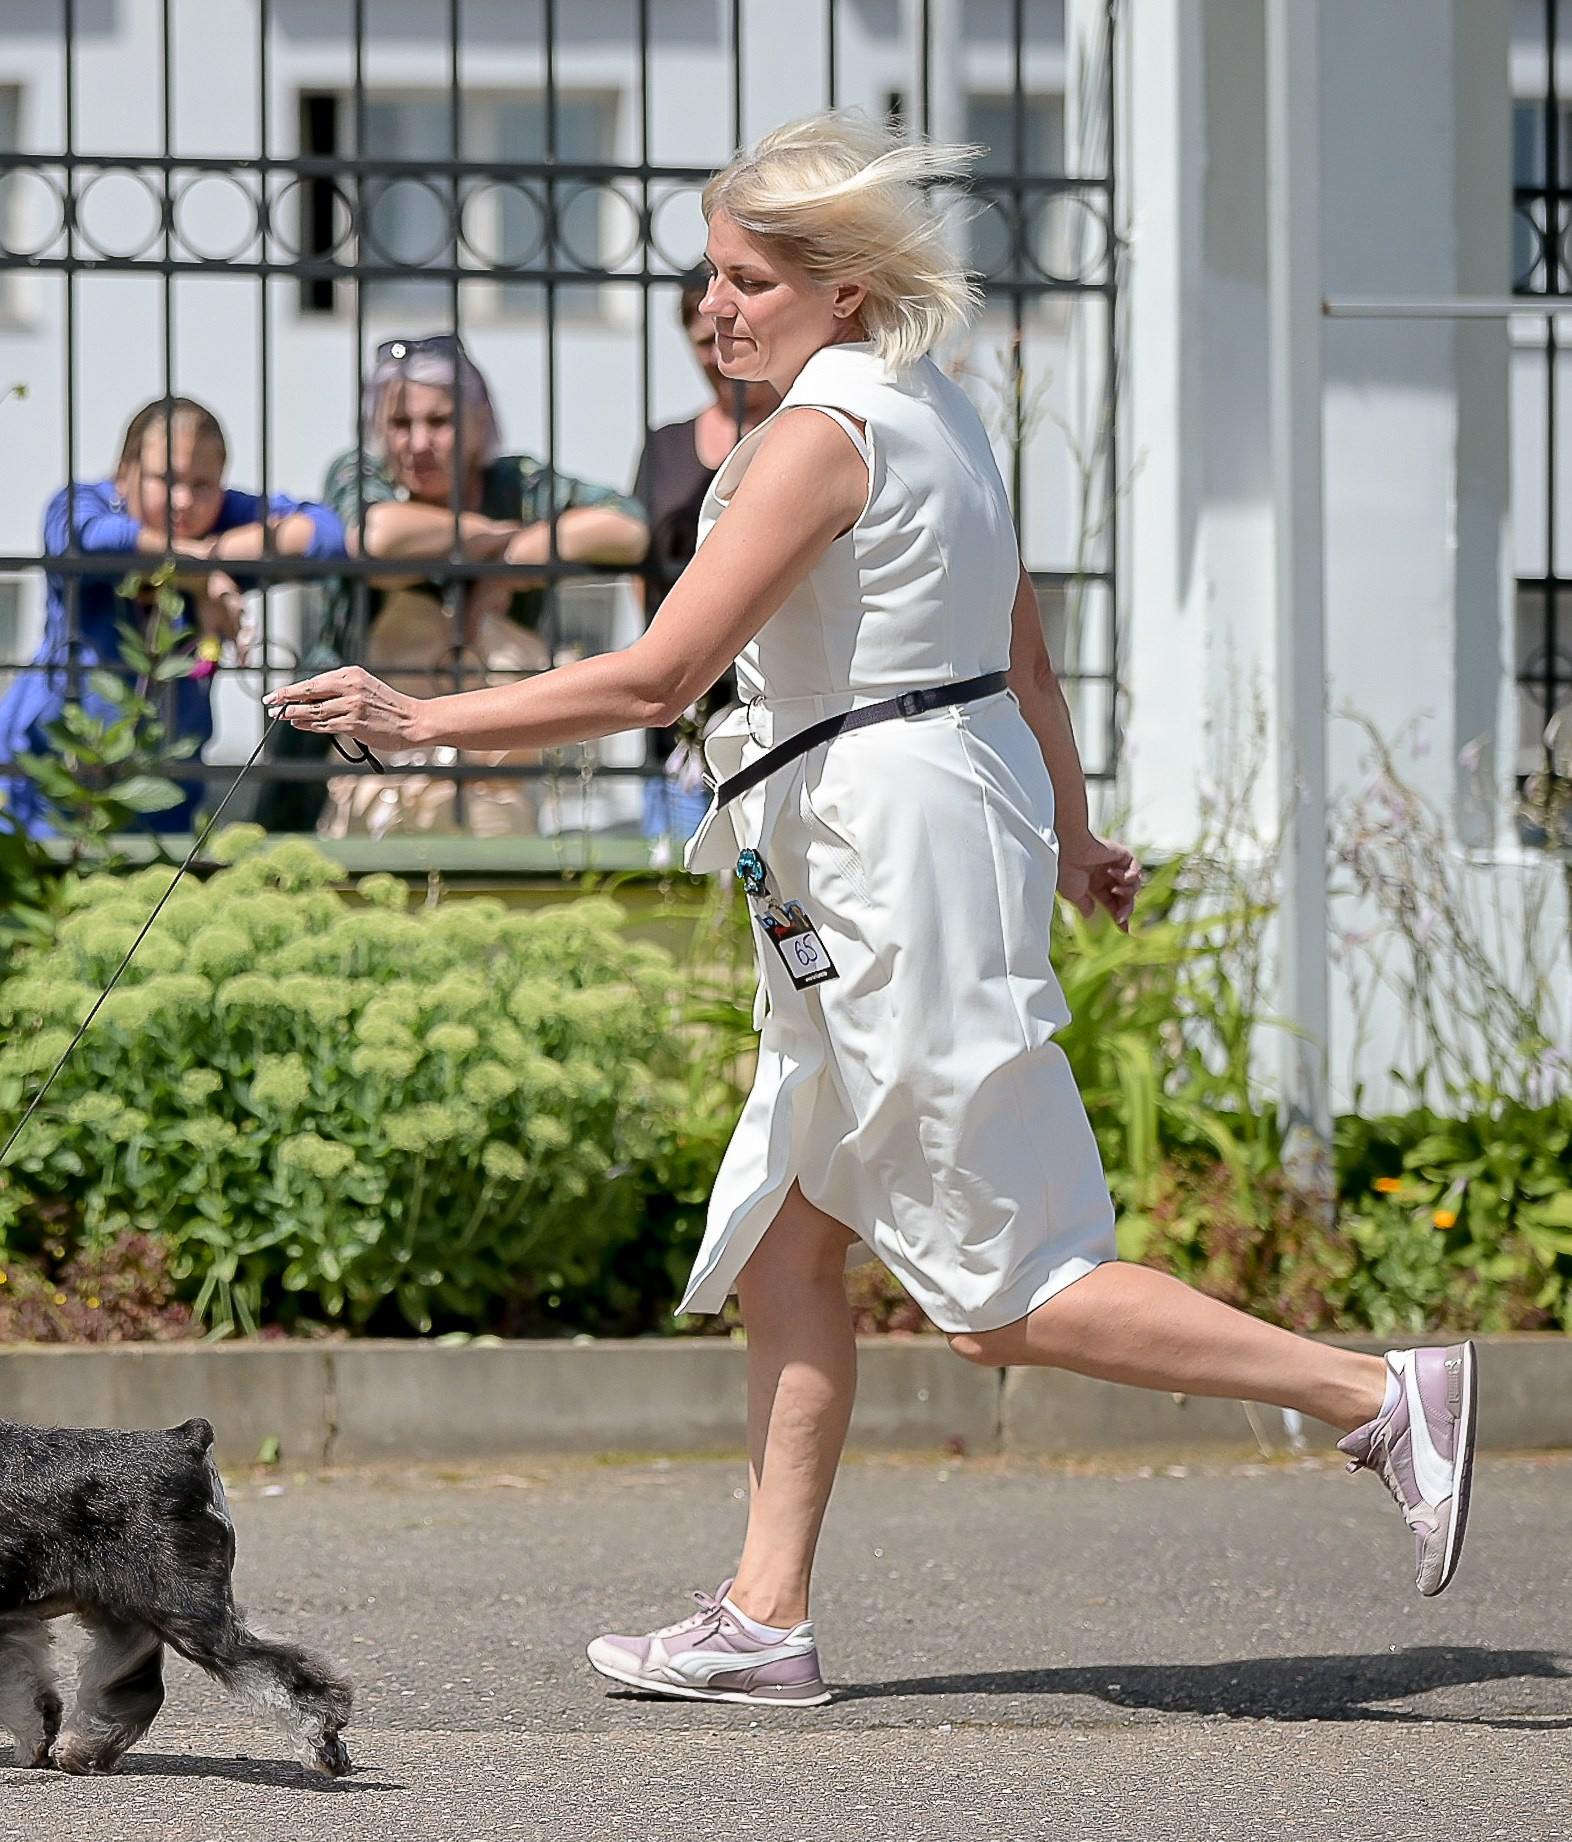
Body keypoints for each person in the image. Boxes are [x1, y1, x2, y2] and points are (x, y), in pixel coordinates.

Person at [270, 112, 1475, 1702]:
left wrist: (415, 718)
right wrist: (1070, 833)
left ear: (845, 290)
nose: (717, 308)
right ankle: (766, 1619)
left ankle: (1374, 1391)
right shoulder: (934, 410)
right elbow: (1021, 652)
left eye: (751, 280)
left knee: (1001, 1287)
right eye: (708, 278)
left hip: (892, 861)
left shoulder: (826, 434)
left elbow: (659, 675)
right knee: (789, 1235)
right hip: (897, 842)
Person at [314, 336, 648, 836]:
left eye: (440, 422)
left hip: (497, 774)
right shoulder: (360, 475)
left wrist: (514, 561)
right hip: (373, 770)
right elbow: (378, 537)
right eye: (400, 424)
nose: (418, 443)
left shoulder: (516, 486)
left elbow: (628, 528)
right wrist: (496, 535)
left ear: (477, 424)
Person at [0, 396, 344, 833]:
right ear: (124, 474)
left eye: (203, 484)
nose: (183, 500)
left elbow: (325, 535)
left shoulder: (224, 520)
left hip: (163, 803)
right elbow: (84, 540)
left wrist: (205, 560)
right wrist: (202, 575)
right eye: (165, 478)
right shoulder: (83, 503)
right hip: (44, 790)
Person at [631, 271, 779, 846]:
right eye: (701, 338)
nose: (716, 353)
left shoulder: (801, 433)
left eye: (728, 333)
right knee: (677, 882)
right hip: (681, 713)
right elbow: (642, 570)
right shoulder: (665, 444)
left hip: (771, 697)